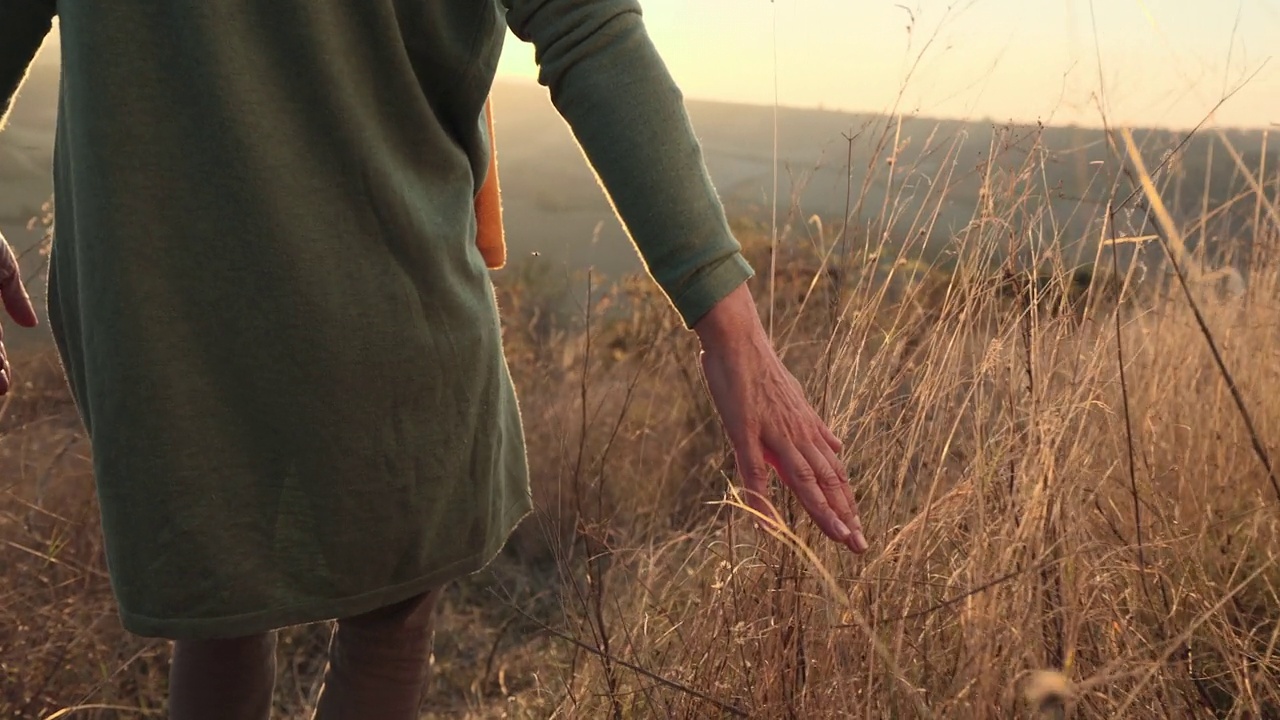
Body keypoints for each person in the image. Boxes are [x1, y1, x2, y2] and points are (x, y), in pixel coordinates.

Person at [0, 0, 868, 717]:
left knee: (218, 614)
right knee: (389, 620)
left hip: (154, 303)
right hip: (381, 292)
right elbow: (590, 27)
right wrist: (730, 320)